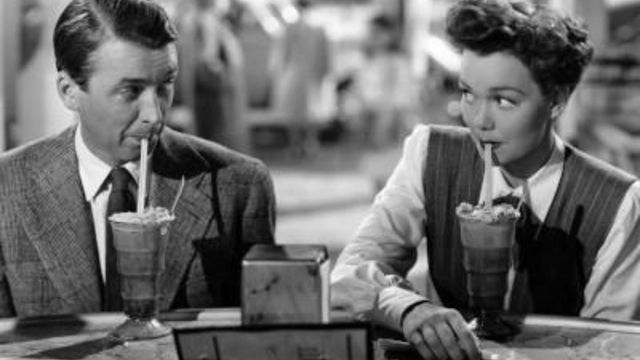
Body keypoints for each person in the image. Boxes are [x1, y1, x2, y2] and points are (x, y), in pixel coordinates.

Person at [331, 1, 640, 359]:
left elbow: (617, 347)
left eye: (504, 101)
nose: (478, 120)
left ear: (556, 100)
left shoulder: (618, 203)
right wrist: (410, 308)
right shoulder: (430, 153)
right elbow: (349, 275)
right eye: (467, 93)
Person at [0, 0, 275, 317]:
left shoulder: (239, 186)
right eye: (130, 91)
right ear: (68, 91)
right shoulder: (8, 188)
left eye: (165, 85)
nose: (154, 115)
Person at [173, 0, 248, 152]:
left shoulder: (197, 20)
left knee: (207, 132)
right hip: (208, 87)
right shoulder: (206, 21)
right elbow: (208, 57)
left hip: (202, 85)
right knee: (212, 133)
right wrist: (221, 73)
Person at [269, 0, 331, 156]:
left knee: (298, 112)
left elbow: (282, 54)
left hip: (296, 72)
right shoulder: (317, 27)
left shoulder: (293, 27)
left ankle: (297, 144)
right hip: (309, 72)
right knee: (309, 111)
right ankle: (308, 143)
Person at [354, 14, 417, 148]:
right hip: (370, 116)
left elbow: (397, 96)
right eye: (370, 32)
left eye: (376, 32)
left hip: (387, 119)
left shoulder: (396, 61)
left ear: (390, 35)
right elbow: (362, 89)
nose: (372, 37)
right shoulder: (369, 59)